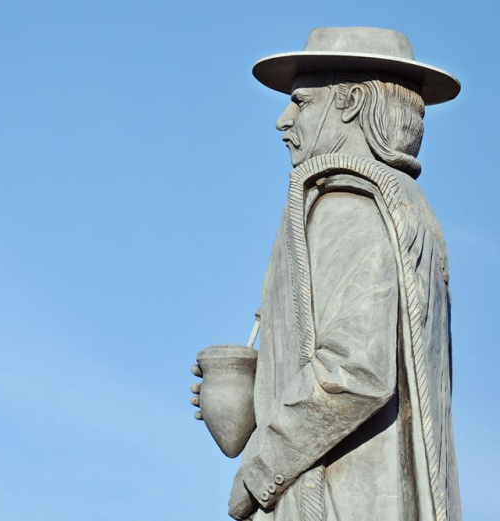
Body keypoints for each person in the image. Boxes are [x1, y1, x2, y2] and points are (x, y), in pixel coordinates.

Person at [192, 27, 462, 520]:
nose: (283, 120)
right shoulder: (408, 211)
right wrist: (259, 390)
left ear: (352, 102)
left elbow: (356, 374)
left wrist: (258, 471)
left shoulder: (347, 206)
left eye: (301, 102)